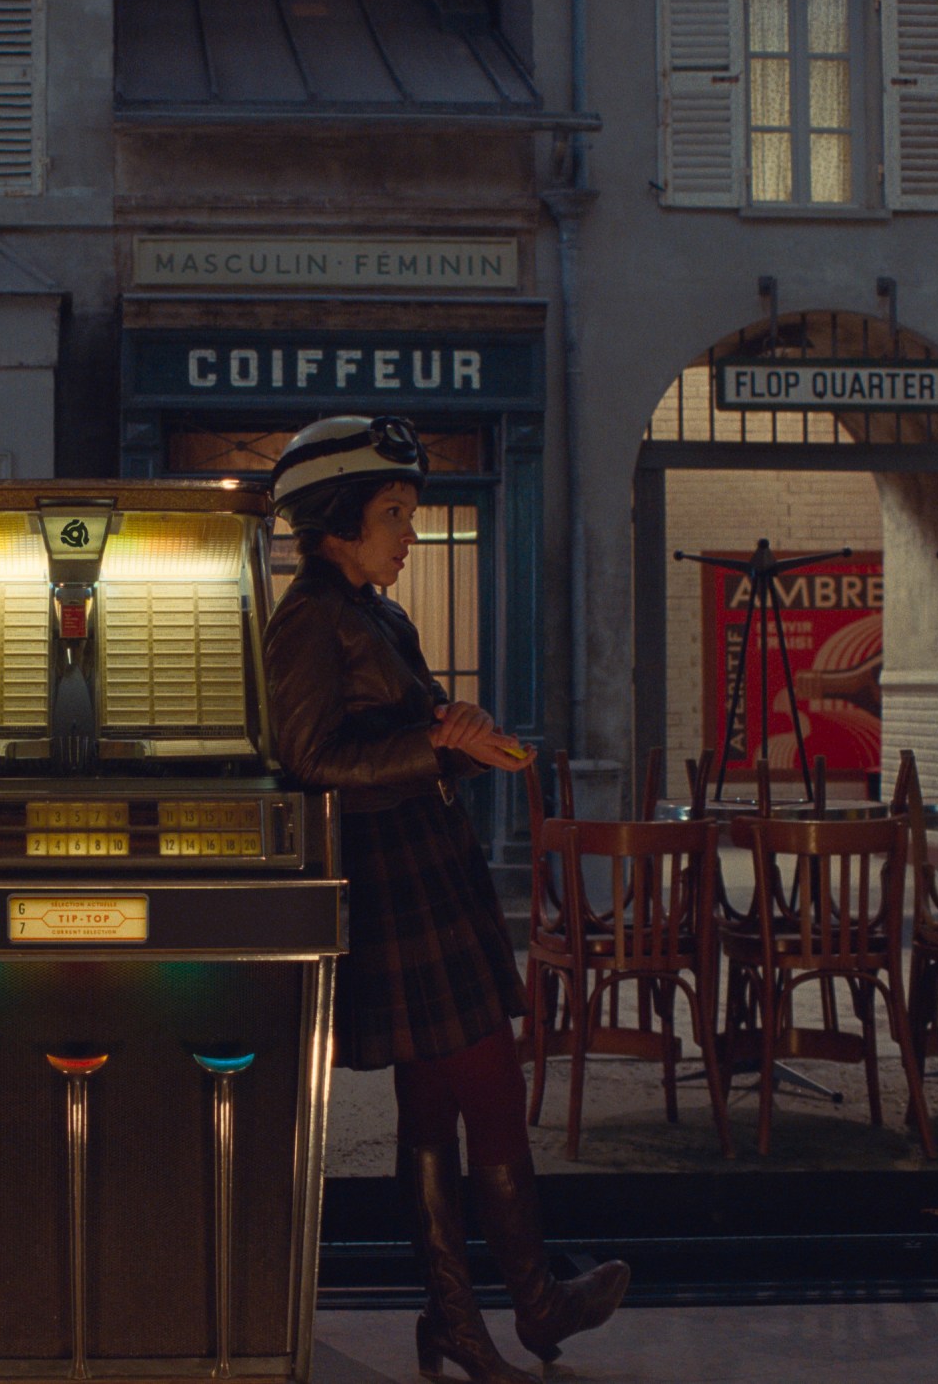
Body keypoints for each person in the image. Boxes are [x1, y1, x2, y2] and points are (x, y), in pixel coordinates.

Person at [264, 416, 627, 1384]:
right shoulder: (307, 618)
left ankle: (457, 1322)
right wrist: (434, 745)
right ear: (335, 520)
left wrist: (450, 730)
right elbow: (304, 759)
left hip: (424, 862)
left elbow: (396, 727)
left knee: (432, 1106)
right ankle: (530, 1305)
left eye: (410, 513)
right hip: (391, 877)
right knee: (489, 1087)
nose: (407, 535)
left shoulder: (375, 613)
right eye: (391, 514)